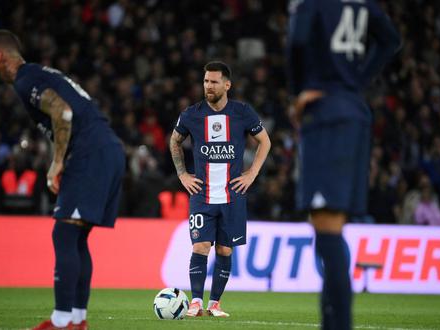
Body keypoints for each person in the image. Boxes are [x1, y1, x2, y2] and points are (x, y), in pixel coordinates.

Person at [0, 30, 125, 330]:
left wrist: (57, 162)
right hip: (108, 150)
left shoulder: (25, 79)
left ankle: (61, 322)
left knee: (64, 235)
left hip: (89, 154)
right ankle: (77, 320)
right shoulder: (39, 74)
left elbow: (63, 112)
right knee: (76, 238)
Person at [287, 1, 401, 329]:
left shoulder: (310, 4)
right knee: (331, 226)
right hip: (354, 112)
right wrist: (356, 81)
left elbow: (296, 43)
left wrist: (299, 93)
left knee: (326, 228)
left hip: (326, 116)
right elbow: (390, 40)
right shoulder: (363, 3)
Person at [169, 61, 271, 317]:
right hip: (201, 195)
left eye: (214, 82)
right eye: (205, 81)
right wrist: (182, 174)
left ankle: (215, 303)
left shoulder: (242, 112)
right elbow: (175, 140)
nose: (208, 86)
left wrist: (252, 173)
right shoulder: (191, 114)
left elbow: (265, 141)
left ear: (227, 84)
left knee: (225, 250)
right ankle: (195, 303)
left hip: (232, 194)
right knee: (200, 246)